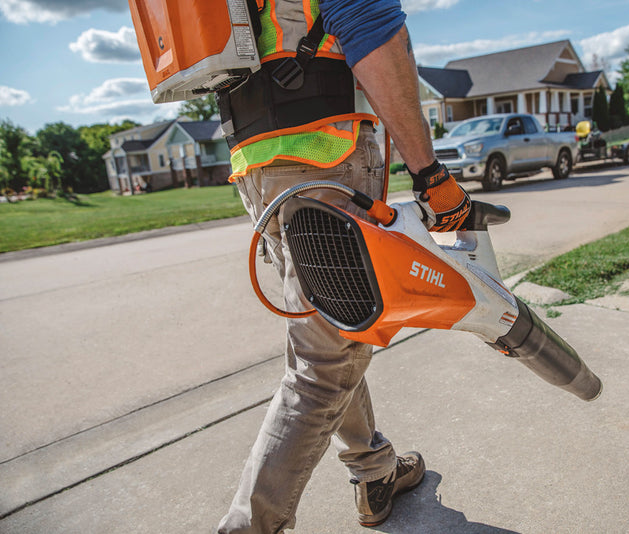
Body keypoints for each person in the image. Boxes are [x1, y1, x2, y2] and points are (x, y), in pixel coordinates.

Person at [216, 0, 471, 532]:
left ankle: (374, 469)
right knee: (323, 367)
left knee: (334, 329)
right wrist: (430, 175)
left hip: (256, 161)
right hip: (325, 152)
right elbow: (372, 31)